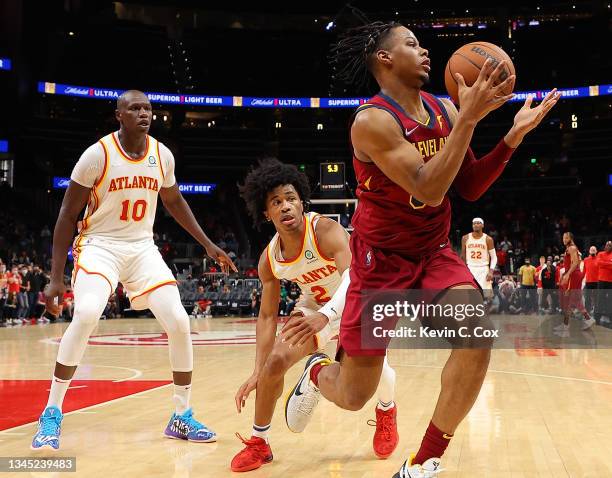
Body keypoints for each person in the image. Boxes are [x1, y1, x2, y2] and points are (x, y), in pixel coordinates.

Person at [284, 21, 559, 477]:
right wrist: (469, 120)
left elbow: (466, 186)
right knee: (355, 397)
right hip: (379, 266)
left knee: (476, 332)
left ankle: (424, 460)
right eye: (411, 44)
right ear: (384, 59)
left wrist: (511, 137)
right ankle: (316, 370)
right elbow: (428, 189)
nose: (425, 50)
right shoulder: (371, 122)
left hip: (432, 252)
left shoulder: (444, 109)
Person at [31, 90, 236, 451]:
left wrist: (207, 243)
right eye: (135, 108)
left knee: (179, 320)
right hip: (100, 245)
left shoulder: (162, 155)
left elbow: (174, 201)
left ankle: (181, 415)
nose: (143, 114)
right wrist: (55, 276)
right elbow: (66, 215)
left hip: (142, 248)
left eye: (147, 108)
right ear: (119, 115)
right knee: (88, 313)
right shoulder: (97, 155)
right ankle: (51, 412)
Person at [231, 159, 398, 472]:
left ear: (301, 202)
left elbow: (355, 278)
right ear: (266, 213)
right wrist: (258, 370)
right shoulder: (270, 259)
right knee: (275, 362)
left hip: (357, 306)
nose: (286, 207)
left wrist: (328, 314)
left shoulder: (325, 230)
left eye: (291, 199)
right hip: (314, 310)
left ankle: (386, 411)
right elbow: (267, 317)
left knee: (375, 382)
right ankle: (259, 442)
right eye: (277, 202)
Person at [555, 232, 595, 333]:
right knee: (575, 301)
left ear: (571, 238)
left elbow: (576, 262)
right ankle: (587, 319)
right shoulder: (570, 248)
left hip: (574, 275)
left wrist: (567, 274)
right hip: (574, 275)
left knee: (569, 300)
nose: (564, 239)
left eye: (566, 237)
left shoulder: (572, 248)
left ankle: (566, 326)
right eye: (563, 238)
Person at [461, 217, 497, 299]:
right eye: (474, 223)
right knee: (470, 295)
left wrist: (491, 271)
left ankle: (486, 311)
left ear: (482, 225)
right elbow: (463, 256)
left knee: (488, 297)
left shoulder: (488, 239)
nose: (476, 225)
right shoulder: (465, 238)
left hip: (483, 269)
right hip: (470, 268)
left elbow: (494, 257)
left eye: (478, 223)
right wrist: (462, 269)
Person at [594, 240, 612, 325]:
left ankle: (610, 317)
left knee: (610, 300)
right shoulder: (600, 254)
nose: (608, 246)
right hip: (601, 280)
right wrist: (609, 264)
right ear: (605, 246)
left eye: (610, 245)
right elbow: (598, 263)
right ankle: (597, 318)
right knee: (600, 299)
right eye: (607, 245)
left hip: (610, 281)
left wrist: (603, 264)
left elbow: (601, 264)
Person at [582, 246, 599, 315]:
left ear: (596, 251)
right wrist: (580, 279)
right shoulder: (586, 260)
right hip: (588, 281)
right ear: (589, 251)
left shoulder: (599, 259)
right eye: (591, 250)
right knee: (588, 296)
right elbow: (584, 271)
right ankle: (587, 310)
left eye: (594, 250)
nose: (592, 251)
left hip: (597, 282)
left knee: (596, 297)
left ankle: (596, 310)